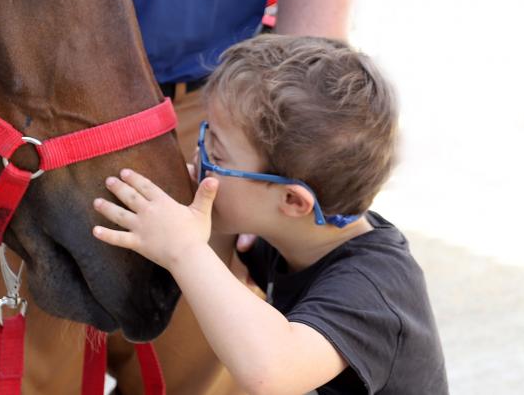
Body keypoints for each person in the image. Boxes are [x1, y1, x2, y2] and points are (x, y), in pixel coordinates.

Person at [0, 0, 373, 393]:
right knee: (12, 377)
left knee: (200, 377)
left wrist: (280, 162)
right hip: (28, 115)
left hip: (209, 128)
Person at [92, 35, 448, 394]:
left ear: (292, 200)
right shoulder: (297, 240)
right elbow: (223, 272)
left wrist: (185, 250)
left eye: (218, 156)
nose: (199, 159)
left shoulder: (374, 290)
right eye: (205, 136)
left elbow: (271, 374)